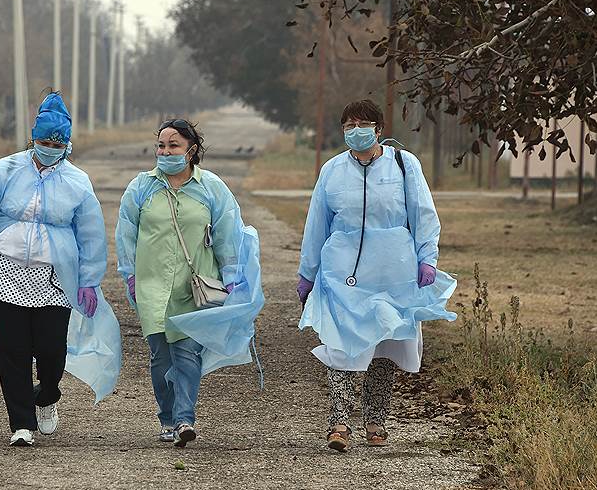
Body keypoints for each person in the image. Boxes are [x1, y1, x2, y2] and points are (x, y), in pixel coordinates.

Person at [0, 92, 121, 447]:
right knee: (13, 351)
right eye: (44, 141)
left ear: (66, 143)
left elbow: (91, 235)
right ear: (33, 138)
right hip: (6, 272)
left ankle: (47, 395)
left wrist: (89, 281)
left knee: (51, 350)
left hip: (54, 277)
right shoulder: (6, 169)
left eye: (56, 142)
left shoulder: (78, 182)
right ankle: (21, 423)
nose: (49, 147)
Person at [296, 100, 456, 451]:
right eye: (349, 125)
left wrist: (427, 258)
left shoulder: (404, 165)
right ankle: (338, 422)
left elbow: (423, 214)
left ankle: (375, 420)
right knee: (339, 343)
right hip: (342, 271)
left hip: (392, 271)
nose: (356, 131)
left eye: (364, 124)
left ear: (379, 130)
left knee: (385, 344)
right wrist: (307, 273)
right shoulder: (332, 170)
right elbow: (316, 223)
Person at [116, 118, 264, 448]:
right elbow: (126, 234)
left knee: (187, 354)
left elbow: (228, 235)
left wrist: (233, 278)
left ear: (191, 150)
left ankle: (185, 419)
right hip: (151, 286)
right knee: (160, 358)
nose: (165, 151)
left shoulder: (211, 188)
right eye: (161, 145)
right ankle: (166, 416)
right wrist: (129, 274)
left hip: (194, 285)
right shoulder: (141, 188)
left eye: (173, 146)